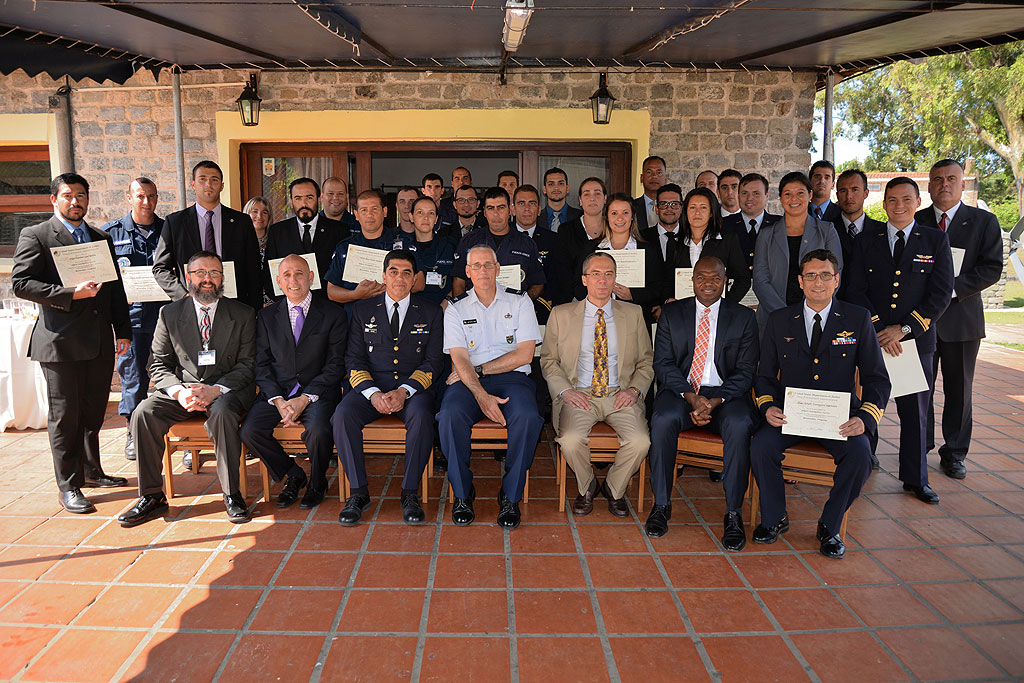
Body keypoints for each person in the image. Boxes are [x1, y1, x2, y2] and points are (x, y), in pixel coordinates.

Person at [751, 249, 890, 559]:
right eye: (810, 275)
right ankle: (774, 518)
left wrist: (865, 419)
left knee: (860, 455)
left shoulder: (857, 319)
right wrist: (767, 407)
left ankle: (830, 525)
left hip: (838, 419)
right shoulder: (779, 320)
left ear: (836, 280)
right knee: (761, 445)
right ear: (800, 282)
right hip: (791, 415)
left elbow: (877, 378)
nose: (818, 282)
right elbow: (764, 376)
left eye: (825, 275)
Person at [12, 173, 132, 514]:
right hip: (59, 344)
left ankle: (93, 471)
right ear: (55, 199)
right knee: (66, 415)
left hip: (98, 342)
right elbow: (21, 284)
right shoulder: (36, 235)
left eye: (81, 195)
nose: (75, 201)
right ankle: (69, 485)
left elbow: (115, 290)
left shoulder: (100, 238)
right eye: (68, 195)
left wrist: (122, 329)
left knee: (93, 410)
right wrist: (69, 293)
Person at [118, 251, 256, 526]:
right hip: (183, 389)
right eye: (200, 273)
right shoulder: (169, 314)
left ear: (222, 278)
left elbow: (248, 364)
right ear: (188, 277)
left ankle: (232, 493)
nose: (207, 279)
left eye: (214, 273)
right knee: (144, 412)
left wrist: (216, 389)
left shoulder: (243, 313)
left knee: (224, 414)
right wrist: (179, 392)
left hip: (224, 390)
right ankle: (152, 495)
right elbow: (157, 364)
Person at [845, 177, 954, 504]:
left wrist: (904, 329)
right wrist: (879, 328)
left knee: (915, 413)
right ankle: (863, 464)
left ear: (918, 202)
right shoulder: (867, 240)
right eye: (892, 200)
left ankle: (916, 478)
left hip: (914, 342)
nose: (899, 205)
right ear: (884, 203)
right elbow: (855, 289)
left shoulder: (935, 240)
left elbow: (939, 294)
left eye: (906, 199)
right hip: (873, 340)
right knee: (867, 404)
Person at [645, 256, 758, 547]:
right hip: (684, 392)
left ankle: (733, 512)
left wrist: (714, 400)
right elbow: (664, 363)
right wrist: (692, 397)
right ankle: (661, 504)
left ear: (725, 282)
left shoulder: (743, 317)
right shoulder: (672, 313)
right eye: (701, 277)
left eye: (715, 278)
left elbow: (746, 372)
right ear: (692, 280)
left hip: (726, 395)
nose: (708, 283)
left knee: (740, 423)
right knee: (662, 419)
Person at [333, 250, 444, 525]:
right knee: (342, 415)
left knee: (421, 417)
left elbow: (434, 362)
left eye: (407, 272)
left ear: (415, 278)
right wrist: (372, 394)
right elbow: (354, 359)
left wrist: (404, 391)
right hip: (372, 388)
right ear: (384, 276)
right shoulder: (362, 309)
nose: (399, 278)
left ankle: (409, 493)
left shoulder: (431, 311)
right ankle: (358, 493)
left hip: (412, 390)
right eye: (393, 271)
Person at [438, 245, 544, 529]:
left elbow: (524, 355)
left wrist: (480, 370)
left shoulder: (520, 302)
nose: (483, 271)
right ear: (468, 272)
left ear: (498, 269)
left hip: (512, 378)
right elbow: (458, 357)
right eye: (476, 266)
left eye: (488, 265)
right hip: (468, 381)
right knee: (449, 416)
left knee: (528, 418)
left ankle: (510, 496)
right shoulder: (455, 308)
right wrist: (481, 394)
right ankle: (462, 493)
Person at [541, 252, 653, 516]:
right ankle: (588, 484)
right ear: (584, 279)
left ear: (615, 279)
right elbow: (548, 360)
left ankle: (614, 488)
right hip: (579, 394)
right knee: (569, 440)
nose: (602, 281)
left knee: (640, 442)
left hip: (620, 394)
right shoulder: (561, 314)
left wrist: (635, 390)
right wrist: (566, 391)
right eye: (596, 274)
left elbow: (646, 361)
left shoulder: (634, 313)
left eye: (609, 274)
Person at [916, 159, 1003, 480]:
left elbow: (991, 267)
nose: (944, 185)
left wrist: (948, 289)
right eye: (937, 179)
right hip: (921, 320)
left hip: (961, 321)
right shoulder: (917, 219)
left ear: (963, 184)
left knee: (959, 390)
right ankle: (919, 447)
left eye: (951, 179)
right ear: (929, 185)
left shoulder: (983, 221)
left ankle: (954, 453)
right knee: (918, 389)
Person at [239, 255, 347, 509]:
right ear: (278, 281)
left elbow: (336, 364)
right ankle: (293, 474)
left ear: (311, 278)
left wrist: (304, 398)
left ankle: (318, 482)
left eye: (299, 273)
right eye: (286, 275)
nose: (293, 280)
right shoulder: (266, 317)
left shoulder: (333, 313)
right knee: (249, 431)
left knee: (319, 431)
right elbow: (261, 364)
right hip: (277, 392)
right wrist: (277, 400)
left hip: (317, 392)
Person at [104, 177, 166, 461]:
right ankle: (134, 433)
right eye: (140, 196)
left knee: (173, 377)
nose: (146, 201)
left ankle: (181, 434)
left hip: (167, 319)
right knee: (133, 378)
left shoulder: (169, 230)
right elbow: (105, 280)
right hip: (132, 320)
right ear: (128, 197)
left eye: (151, 196)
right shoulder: (110, 234)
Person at [152, 160, 263, 311]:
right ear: (193, 184)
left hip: (234, 306)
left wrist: (255, 311)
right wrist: (184, 296)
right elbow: (160, 268)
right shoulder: (175, 222)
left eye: (214, 180)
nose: (208, 184)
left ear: (222, 186)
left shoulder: (242, 222)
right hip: (191, 306)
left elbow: (254, 269)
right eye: (202, 179)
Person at [753, 172, 842, 329]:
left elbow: (835, 273)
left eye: (800, 193)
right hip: (773, 319)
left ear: (810, 195)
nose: (794, 199)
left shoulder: (827, 231)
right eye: (788, 194)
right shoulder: (766, 234)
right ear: (781, 198)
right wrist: (785, 315)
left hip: (816, 318)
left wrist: (808, 312)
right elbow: (760, 281)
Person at [575, 193, 664, 325]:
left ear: (632, 217)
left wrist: (632, 294)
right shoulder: (591, 249)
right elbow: (578, 286)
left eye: (625, 213)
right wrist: (599, 292)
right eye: (614, 213)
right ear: (607, 217)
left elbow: (658, 288)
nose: (620, 218)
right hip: (596, 319)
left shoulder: (648, 250)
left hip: (635, 320)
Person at [450, 187, 545, 300]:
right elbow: (458, 281)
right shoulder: (470, 241)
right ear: (484, 212)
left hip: (514, 313)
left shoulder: (526, 243)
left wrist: (522, 304)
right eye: (491, 208)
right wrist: (464, 307)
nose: (496, 214)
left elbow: (538, 283)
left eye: (501, 208)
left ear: (510, 210)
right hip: (477, 311)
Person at [264, 177, 348, 299]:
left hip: (328, 307)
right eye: (298, 198)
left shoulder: (339, 230)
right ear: (291, 201)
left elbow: (343, 274)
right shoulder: (278, 231)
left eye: (309, 198)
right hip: (290, 306)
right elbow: (269, 275)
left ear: (319, 199)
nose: (304, 204)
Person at [325, 189, 408, 309]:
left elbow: (419, 283)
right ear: (356, 215)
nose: (369, 214)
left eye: (374, 209)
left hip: (392, 318)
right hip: (355, 320)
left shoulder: (401, 244)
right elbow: (331, 292)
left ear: (384, 212)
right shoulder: (346, 247)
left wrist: (390, 288)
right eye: (364, 210)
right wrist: (355, 294)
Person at [671, 188, 751, 304]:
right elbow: (666, 279)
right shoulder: (674, 242)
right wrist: (669, 299)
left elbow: (743, 279)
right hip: (683, 309)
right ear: (685, 211)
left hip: (718, 312)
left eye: (703, 207)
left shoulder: (727, 241)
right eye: (692, 207)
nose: (697, 212)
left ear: (711, 212)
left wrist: (726, 305)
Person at [552, 177, 608, 305]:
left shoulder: (614, 229)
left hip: (609, 300)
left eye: (597, 194)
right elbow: (562, 272)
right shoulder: (566, 230)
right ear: (580, 201)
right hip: (575, 302)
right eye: (587, 194)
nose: (592, 198)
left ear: (605, 198)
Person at [832, 169, 885, 301]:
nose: (849, 196)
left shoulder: (883, 231)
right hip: (836, 304)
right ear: (837, 195)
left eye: (855, 189)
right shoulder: (826, 229)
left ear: (866, 193)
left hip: (874, 307)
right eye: (843, 191)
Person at [513, 184, 558, 323]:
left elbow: (557, 280)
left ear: (539, 210)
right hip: (507, 314)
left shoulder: (554, 240)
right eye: (521, 203)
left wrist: (537, 306)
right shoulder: (502, 239)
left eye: (532, 203)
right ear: (513, 209)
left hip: (543, 313)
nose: (527, 208)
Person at [722, 173, 780, 277]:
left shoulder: (779, 225)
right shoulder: (724, 225)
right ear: (738, 196)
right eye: (744, 193)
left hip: (770, 290)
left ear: (766, 196)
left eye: (756, 193)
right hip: (735, 290)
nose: (749, 198)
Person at [408, 196, 457, 305]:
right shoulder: (403, 247)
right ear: (411, 217)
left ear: (436, 219)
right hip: (410, 310)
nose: (426, 218)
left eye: (431, 213)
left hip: (444, 309)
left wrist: (445, 305)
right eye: (420, 212)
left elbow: (458, 282)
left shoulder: (450, 245)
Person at [641, 183, 683, 293]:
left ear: (681, 208)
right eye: (664, 204)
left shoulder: (691, 237)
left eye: (674, 204)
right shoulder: (641, 238)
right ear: (656, 208)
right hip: (651, 306)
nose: (669, 208)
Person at [538, 167, 583, 231]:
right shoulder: (537, 218)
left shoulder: (580, 217)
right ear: (544, 189)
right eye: (551, 184)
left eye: (560, 183)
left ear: (567, 188)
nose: (556, 188)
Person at [634, 155, 667, 230]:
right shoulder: (631, 207)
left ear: (665, 178)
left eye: (659, 173)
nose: (654, 176)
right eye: (649, 172)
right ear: (641, 178)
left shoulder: (675, 208)